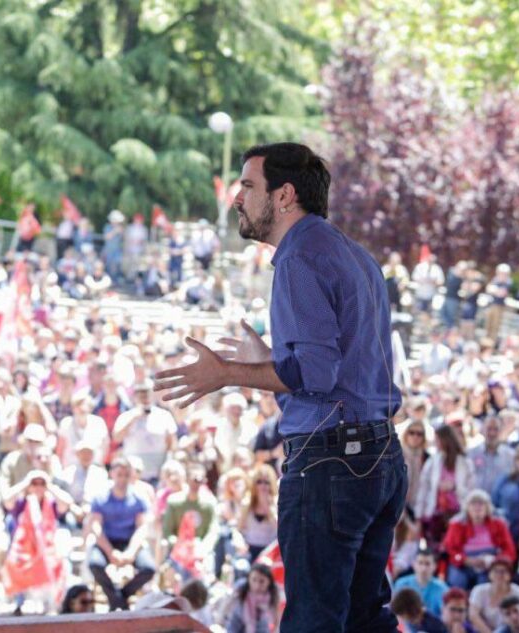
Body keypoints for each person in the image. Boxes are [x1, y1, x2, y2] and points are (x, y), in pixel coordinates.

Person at [155, 142, 405, 631]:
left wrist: (226, 373)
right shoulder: (352, 253)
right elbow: (342, 373)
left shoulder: (299, 260)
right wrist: (270, 363)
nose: (237, 198)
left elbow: (317, 374)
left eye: (248, 185)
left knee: (314, 621)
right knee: (362, 618)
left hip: (333, 467)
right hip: (380, 458)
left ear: (285, 194)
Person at [88, 457, 156, 611]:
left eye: (126, 475)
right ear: (112, 474)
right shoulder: (101, 497)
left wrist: (131, 552)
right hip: (108, 541)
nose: (123, 479)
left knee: (148, 568)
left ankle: (121, 596)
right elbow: (96, 526)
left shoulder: (139, 498)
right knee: (94, 564)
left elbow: (141, 528)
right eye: (119, 474)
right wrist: (110, 552)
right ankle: (115, 599)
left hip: (130, 541)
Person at [442, 490, 516, 590]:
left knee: (485, 582)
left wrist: (495, 561)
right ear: (467, 507)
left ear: (488, 507)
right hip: (463, 562)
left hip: (490, 562)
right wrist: (465, 560)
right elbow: (450, 550)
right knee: (457, 581)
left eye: (481, 504)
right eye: (473, 504)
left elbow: (509, 550)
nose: (477, 508)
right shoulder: (457, 524)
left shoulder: (499, 524)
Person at [416, 425, 475, 549]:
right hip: (435, 514)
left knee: (455, 548)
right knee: (434, 550)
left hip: (458, 513)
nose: (436, 443)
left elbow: (472, 489)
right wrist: (419, 516)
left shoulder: (464, 462)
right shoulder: (433, 462)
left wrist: (454, 487)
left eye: (438, 439)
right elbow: (423, 490)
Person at [468, 558, 519, 632]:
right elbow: (473, 615)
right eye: (496, 571)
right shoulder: (479, 590)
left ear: (510, 575)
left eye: (503, 571)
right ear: (489, 574)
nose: (499, 575)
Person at [223, 563, 280, 633]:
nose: (257, 585)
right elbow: (227, 602)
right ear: (248, 579)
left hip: (260, 627)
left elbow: (276, 617)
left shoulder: (272, 593)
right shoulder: (241, 586)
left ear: (269, 582)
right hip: (236, 623)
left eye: (262, 581)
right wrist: (222, 618)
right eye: (254, 580)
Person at [392, 549, 450, 618]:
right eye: (420, 563)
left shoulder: (443, 588)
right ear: (414, 564)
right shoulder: (401, 584)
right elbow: (395, 611)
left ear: (435, 566)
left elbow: (445, 615)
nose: (423, 568)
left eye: (427, 564)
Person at [468, 416, 515, 498]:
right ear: (482, 430)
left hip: (501, 502)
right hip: (477, 502)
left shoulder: (510, 455)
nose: (492, 433)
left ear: (501, 431)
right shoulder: (471, 453)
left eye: (496, 429)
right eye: (489, 429)